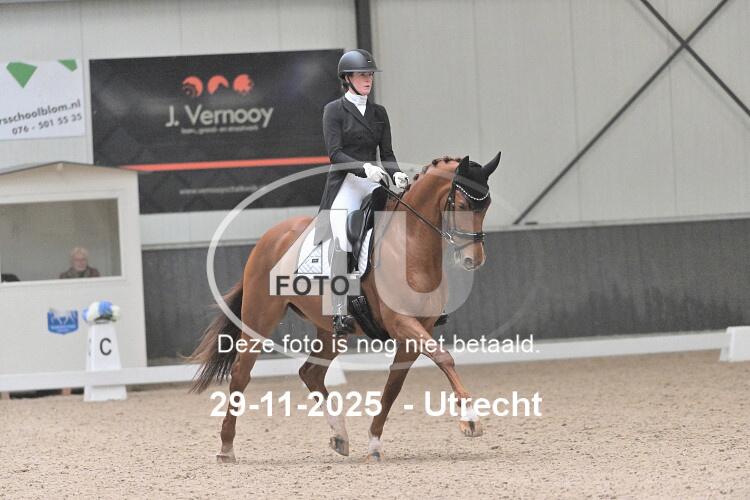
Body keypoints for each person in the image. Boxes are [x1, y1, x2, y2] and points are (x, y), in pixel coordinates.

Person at [317, 49, 409, 336]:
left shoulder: (379, 113)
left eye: (369, 74)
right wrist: (364, 167)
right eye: (361, 75)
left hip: (374, 182)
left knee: (401, 226)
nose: (368, 79)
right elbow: (335, 154)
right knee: (342, 235)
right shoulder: (334, 110)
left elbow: (387, 153)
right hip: (346, 183)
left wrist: (396, 173)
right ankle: (339, 309)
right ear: (347, 79)